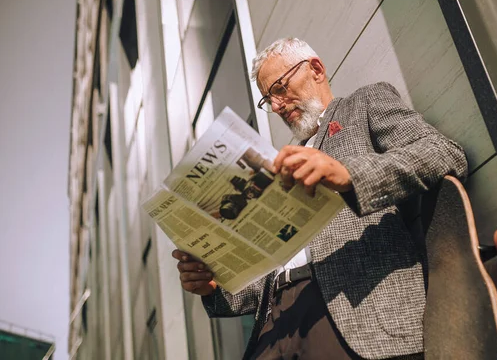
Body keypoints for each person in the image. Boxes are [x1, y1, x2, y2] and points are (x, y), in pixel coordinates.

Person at [172, 38, 468, 359]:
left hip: (351, 308)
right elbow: (269, 276)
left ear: (315, 69)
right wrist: (213, 287)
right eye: (268, 99)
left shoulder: (363, 104)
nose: (277, 105)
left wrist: (348, 176)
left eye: (280, 88)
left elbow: (443, 154)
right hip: (276, 321)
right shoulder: (284, 162)